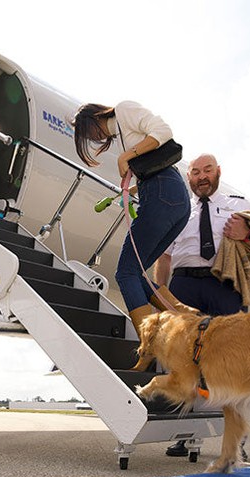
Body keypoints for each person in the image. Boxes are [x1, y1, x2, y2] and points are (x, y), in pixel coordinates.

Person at [154, 154, 250, 457]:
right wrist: (162, 296)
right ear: (189, 177)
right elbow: (164, 256)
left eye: (207, 170)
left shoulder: (238, 203)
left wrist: (245, 234)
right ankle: (183, 434)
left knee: (233, 363)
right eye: (195, 172)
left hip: (225, 286)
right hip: (183, 285)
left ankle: (235, 441)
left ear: (218, 172)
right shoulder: (178, 208)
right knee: (183, 361)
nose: (201, 176)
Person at [72, 102, 193, 369]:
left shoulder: (124, 110)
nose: (91, 139)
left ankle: (148, 346)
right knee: (136, 273)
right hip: (172, 198)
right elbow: (153, 166)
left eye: (86, 133)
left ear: (92, 119)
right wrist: (133, 189)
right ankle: (185, 316)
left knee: (125, 272)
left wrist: (125, 157)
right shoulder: (123, 132)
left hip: (164, 193)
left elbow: (163, 130)